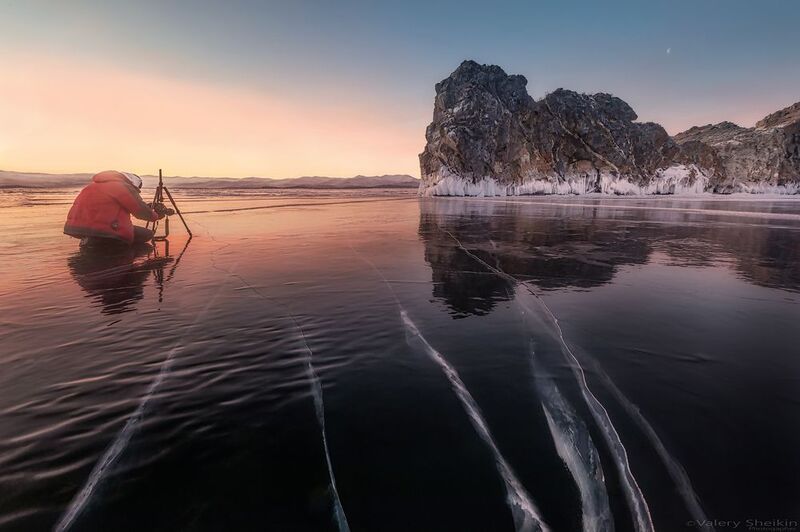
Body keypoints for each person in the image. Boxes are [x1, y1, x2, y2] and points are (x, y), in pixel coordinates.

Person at [64, 170, 173, 246]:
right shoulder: (122, 186)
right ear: (133, 183)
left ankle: (91, 241)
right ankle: (118, 251)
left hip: (77, 229)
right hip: (104, 231)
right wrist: (156, 216)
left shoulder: (91, 186)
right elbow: (141, 212)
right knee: (147, 234)